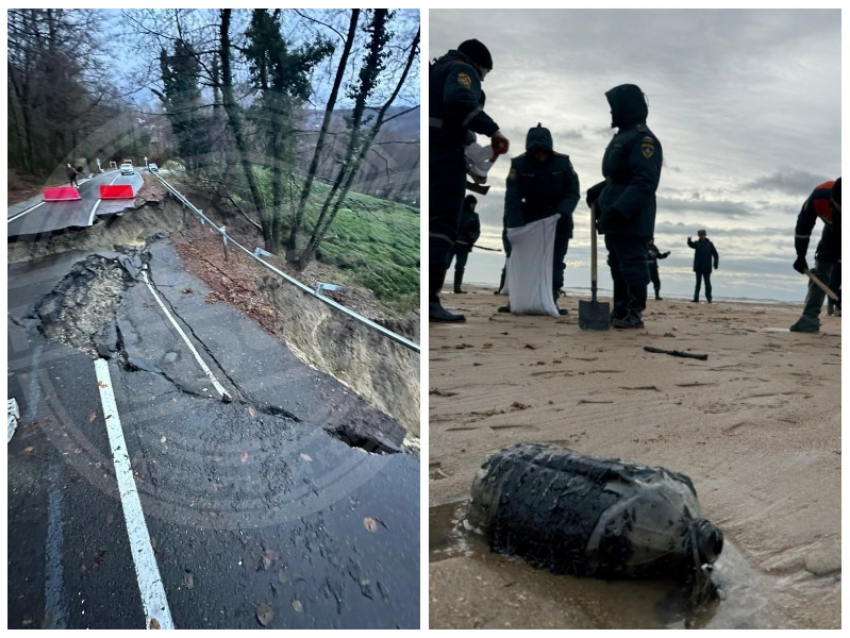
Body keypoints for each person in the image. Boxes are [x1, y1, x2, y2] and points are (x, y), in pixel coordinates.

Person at [429, 39, 510, 323]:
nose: (481, 81)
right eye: (484, 75)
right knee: (441, 227)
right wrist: (494, 131)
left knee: (432, 224)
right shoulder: (463, 70)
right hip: (443, 157)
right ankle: (430, 301)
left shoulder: (437, 69)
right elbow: (459, 103)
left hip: (435, 152)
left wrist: (477, 160)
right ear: (480, 66)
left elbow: (450, 119)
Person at [586, 84, 663, 329]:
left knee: (632, 263)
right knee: (616, 262)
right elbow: (618, 176)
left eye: (614, 108)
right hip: (613, 209)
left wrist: (621, 209)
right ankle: (620, 308)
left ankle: (634, 311)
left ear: (627, 108)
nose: (611, 113)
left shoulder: (643, 139)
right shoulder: (622, 136)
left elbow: (645, 181)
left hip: (632, 214)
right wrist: (599, 192)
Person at [500, 123, 580, 315]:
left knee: (556, 262)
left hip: (558, 220)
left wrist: (562, 212)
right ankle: (518, 299)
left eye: (544, 152)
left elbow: (573, 192)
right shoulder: (519, 165)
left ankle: (551, 298)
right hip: (530, 219)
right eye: (536, 152)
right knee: (525, 261)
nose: (541, 156)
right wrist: (516, 226)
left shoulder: (563, 163)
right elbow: (512, 198)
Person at [790, 178, 841, 333]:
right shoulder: (820, 196)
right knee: (822, 269)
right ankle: (809, 319)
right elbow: (803, 226)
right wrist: (800, 255)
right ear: (832, 199)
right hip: (832, 231)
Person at [449, 195, 481, 294]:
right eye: (472, 204)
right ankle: (436, 285)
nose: (474, 206)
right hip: (452, 243)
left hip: (465, 245)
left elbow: (477, 231)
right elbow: (450, 224)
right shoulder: (457, 212)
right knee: (445, 264)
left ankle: (457, 288)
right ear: (468, 203)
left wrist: (472, 240)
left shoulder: (475, 216)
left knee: (460, 267)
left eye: (475, 205)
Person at [687, 230, 719, 303]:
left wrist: (716, 263)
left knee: (707, 284)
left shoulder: (710, 244)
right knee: (698, 283)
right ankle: (696, 298)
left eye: (703, 234)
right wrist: (689, 241)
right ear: (699, 235)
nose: (702, 236)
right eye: (700, 235)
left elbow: (715, 254)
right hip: (698, 266)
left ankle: (709, 298)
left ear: (705, 235)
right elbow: (691, 245)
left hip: (707, 267)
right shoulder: (697, 243)